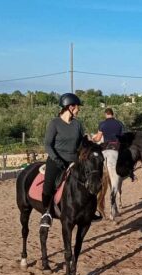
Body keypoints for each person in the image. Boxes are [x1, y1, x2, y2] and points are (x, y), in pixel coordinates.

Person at [40, 93, 100, 228]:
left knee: (90, 180)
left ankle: (91, 211)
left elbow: (80, 144)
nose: (79, 109)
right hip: (56, 160)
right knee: (48, 186)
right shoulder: (54, 123)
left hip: (74, 160)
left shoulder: (77, 124)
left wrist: (90, 143)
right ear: (70, 107)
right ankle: (46, 213)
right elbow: (48, 145)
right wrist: (56, 159)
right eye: (77, 107)